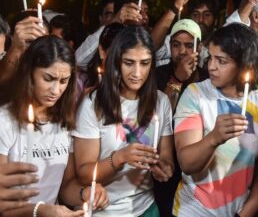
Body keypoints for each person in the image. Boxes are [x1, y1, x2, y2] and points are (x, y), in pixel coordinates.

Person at [0, 36, 108, 216]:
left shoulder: (64, 122)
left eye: (63, 81)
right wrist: (39, 210)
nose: (56, 90)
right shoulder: (5, 120)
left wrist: (85, 193)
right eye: (48, 78)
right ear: (29, 72)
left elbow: (65, 187)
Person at [73, 25, 174, 216]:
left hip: (146, 206)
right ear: (116, 61)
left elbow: (167, 158)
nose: (137, 73)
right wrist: (120, 157)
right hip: (105, 209)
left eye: (144, 63)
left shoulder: (161, 101)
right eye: (129, 62)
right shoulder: (93, 104)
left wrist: (163, 169)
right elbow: (84, 173)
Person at [173, 23, 258, 216]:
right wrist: (213, 138)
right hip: (193, 209)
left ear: (244, 64)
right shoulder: (196, 95)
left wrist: (244, 214)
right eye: (210, 57)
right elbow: (187, 163)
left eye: (222, 61)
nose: (211, 66)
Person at [156, 19, 207, 111]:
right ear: (170, 46)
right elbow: (161, 116)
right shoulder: (157, 74)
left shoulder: (206, 79)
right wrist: (177, 79)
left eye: (189, 46)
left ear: (199, 48)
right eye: (176, 45)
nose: (182, 51)